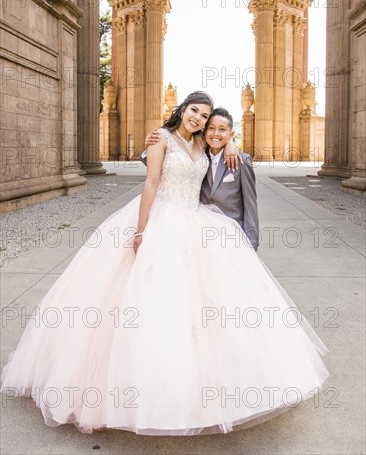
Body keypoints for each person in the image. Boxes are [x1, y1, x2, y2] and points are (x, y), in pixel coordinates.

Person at [1, 91, 330, 436]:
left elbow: (219, 148)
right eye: (195, 112)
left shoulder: (204, 144)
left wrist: (231, 144)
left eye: (205, 116)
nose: (199, 120)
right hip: (161, 219)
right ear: (182, 109)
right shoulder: (161, 138)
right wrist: (141, 230)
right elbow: (152, 181)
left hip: (198, 220)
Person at [143, 107, 260, 251]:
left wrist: (251, 243)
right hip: (200, 230)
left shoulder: (242, 161)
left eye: (222, 130)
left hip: (231, 234)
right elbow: (169, 165)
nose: (216, 134)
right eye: (211, 128)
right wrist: (150, 144)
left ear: (231, 134)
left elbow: (250, 205)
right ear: (204, 132)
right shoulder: (200, 159)